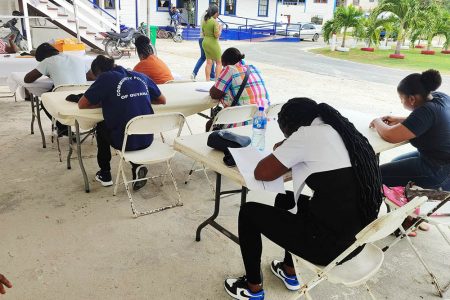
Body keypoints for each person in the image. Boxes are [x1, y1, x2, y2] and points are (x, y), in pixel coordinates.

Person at [224, 98, 382, 299]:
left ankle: (252, 287)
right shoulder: (340, 130)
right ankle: (290, 272)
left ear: (294, 128)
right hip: (356, 237)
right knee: (287, 199)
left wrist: (289, 143)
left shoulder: (306, 135)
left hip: (329, 248)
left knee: (249, 212)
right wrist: (289, 144)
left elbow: (262, 173)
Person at [78, 55, 166, 189]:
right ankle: (137, 166)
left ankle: (105, 174)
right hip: (147, 138)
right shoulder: (140, 76)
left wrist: (108, 101)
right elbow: (162, 100)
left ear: (99, 73)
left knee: (101, 126)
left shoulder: (105, 77)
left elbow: (82, 104)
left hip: (124, 142)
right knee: (129, 124)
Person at [370, 69, 450, 191]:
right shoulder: (440, 97)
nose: (401, 101)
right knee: (395, 162)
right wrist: (399, 120)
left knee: (376, 175)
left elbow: (390, 136)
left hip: (438, 171)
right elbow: (431, 121)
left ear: (412, 99)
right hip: (440, 160)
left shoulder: (426, 111)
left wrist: (377, 121)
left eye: (401, 98)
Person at [24, 43, 95, 135]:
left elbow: (27, 79)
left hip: (62, 96)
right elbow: (91, 77)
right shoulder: (77, 58)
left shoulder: (48, 61)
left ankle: (63, 128)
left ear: (44, 57)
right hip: (82, 95)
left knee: (45, 101)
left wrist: (48, 72)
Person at [191, 10, 215, 81]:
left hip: (201, 39)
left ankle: (194, 73)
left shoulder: (203, 15)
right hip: (207, 39)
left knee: (203, 57)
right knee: (211, 57)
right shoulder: (210, 19)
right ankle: (212, 75)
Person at [202, 5, 222, 81]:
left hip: (205, 42)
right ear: (215, 13)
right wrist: (220, 29)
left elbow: (203, 33)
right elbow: (216, 35)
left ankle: (207, 80)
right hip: (213, 43)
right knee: (219, 62)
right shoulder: (215, 22)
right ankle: (217, 80)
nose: (218, 14)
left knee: (209, 62)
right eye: (218, 13)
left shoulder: (205, 20)